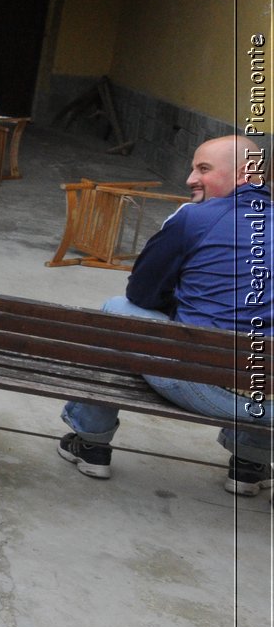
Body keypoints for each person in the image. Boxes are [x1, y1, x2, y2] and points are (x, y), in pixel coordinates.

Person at [58, 134, 272, 494]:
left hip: (201, 383)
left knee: (118, 312)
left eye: (203, 169)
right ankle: (250, 465)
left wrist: (182, 306)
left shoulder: (194, 219)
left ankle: (91, 443)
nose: (190, 179)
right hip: (266, 401)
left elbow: (141, 292)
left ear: (245, 175)